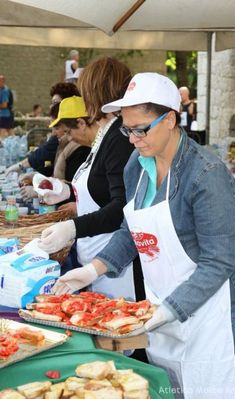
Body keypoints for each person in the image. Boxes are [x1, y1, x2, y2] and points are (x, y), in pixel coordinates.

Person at [51, 73, 235, 399]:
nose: (132, 138)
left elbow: (219, 262)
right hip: (162, 298)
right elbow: (133, 229)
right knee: (168, 385)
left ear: (170, 119)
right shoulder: (137, 164)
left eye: (140, 129)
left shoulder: (206, 176)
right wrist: (94, 269)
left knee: (205, 388)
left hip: (211, 304)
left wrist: (169, 310)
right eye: (125, 128)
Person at [38, 58, 137, 301]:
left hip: (116, 268)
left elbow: (121, 207)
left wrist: (72, 227)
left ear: (94, 93)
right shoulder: (107, 134)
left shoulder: (118, 138)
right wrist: (65, 191)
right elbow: (99, 187)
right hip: (94, 260)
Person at [19, 100, 91, 203]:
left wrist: (41, 191)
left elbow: (78, 188)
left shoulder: (82, 149)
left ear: (81, 124)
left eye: (67, 131)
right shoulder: (67, 145)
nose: (53, 133)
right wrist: (38, 177)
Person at [5, 82, 80, 176]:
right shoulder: (66, 141)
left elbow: (47, 151)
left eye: (55, 103)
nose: (51, 106)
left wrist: (21, 167)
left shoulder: (80, 147)